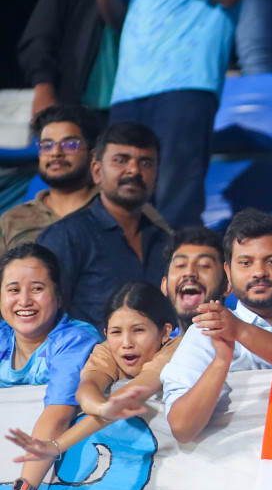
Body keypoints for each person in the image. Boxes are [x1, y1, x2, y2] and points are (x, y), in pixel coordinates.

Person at [97, 0, 258, 229]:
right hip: (130, 85)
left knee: (174, 207)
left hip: (189, 79)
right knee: (119, 209)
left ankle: (173, 288)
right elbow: (113, 16)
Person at [4, 282, 181, 490]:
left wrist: (58, 445)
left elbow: (136, 391)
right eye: (116, 332)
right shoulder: (106, 351)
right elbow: (87, 389)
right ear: (106, 333)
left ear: (165, 332)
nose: (126, 343)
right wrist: (101, 407)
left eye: (139, 330)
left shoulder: (177, 349)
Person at [159, 209, 272, 442]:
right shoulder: (205, 333)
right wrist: (220, 362)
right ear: (228, 273)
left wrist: (240, 331)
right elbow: (182, 428)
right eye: (245, 263)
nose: (258, 272)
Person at [0, 244, 100, 490]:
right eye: (13, 290)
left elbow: (56, 416)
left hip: (47, 486)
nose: (24, 300)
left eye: (37, 289)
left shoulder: (75, 339)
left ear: (58, 296)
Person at [37, 122, 174, 331]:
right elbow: (43, 319)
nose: (134, 170)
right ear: (96, 170)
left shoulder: (166, 242)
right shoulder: (66, 236)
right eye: (121, 160)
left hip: (164, 361)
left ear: (156, 176)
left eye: (145, 163)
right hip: (85, 362)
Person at [2, 106, 101, 251]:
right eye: (46, 145)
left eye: (69, 144)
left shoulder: (116, 209)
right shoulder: (12, 219)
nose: (55, 153)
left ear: (93, 155)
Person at [162, 226, 228, 330]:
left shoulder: (247, 343)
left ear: (226, 286)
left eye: (204, 265)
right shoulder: (160, 345)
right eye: (180, 265)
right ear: (164, 286)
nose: (189, 272)